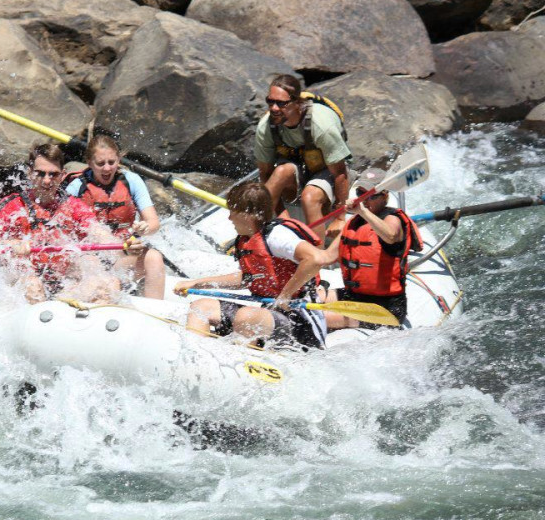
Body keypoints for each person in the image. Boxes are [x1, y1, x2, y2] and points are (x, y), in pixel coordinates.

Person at [0, 143, 132, 304]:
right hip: (24, 280)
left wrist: (125, 246)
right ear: (30, 173)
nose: (47, 180)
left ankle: (67, 308)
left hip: (63, 279)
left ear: (62, 176)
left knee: (109, 283)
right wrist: (9, 244)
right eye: (41, 174)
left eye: (53, 174)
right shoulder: (12, 204)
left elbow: (99, 233)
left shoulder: (73, 205)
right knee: (33, 285)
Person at [173, 183, 328, 350]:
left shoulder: (276, 236)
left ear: (248, 214)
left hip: (301, 323)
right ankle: (196, 356)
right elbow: (248, 278)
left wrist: (285, 295)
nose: (229, 218)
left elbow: (315, 258)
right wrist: (197, 283)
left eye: (232, 211)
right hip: (270, 316)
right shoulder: (248, 239)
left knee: (247, 316)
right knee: (201, 307)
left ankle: (241, 366)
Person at [64, 135, 166, 299]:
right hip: (88, 256)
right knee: (102, 273)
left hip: (122, 255)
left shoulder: (131, 180)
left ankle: (155, 313)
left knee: (154, 257)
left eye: (112, 162)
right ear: (89, 163)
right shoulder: (76, 187)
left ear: (119, 160)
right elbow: (62, 228)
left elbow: (154, 222)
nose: (107, 169)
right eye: (100, 163)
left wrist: (144, 229)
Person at [320, 168, 423, 329]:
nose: (365, 200)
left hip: (385, 308)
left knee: (319, 317)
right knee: (312, 297)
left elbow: (390, 235)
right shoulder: (354, 223)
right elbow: (325, 257)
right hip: (355, 297)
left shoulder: (393, 219)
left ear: (385, 196)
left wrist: (362, 211)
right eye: (361, 193)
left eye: (371, 196)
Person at [254, 74, 352, 241]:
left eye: (281, 103)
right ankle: (255, 237)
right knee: (280, 173)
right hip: (297, 171)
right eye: (270, 101)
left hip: (328, 170)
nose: (274, 108)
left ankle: (316, 257)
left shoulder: (321, 125)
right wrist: (284, 218)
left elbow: (340, 173)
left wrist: (340, 217)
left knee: (310, 196)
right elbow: (265, 175)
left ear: (297, 102)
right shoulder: (265, 128)